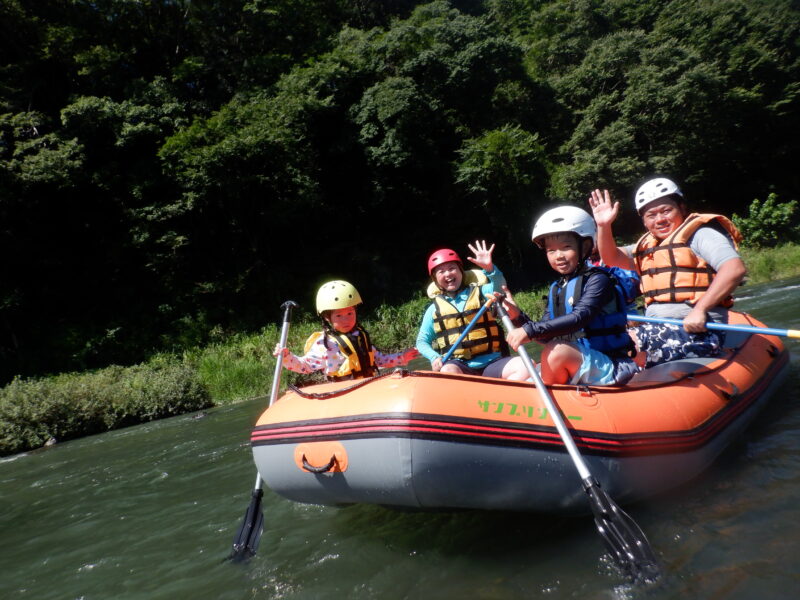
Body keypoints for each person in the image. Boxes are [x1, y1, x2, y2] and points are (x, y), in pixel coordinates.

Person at [589, 177, 746, 367]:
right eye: (651, 215)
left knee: (619, 341)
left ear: (681, 207)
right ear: (644, 221)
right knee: (602, 337)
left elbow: (734, 269)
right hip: (657, 328)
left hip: (700, 331)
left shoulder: (701, 235)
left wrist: (700, 310)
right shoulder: (646, 245)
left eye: (666, 211)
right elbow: (611, 257)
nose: (660, 219)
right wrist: (604, 226)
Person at [498, 206, 641, 386]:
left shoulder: (599, 280)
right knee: (527, 373)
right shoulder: (557, 288)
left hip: (611, 364)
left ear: (586, 246)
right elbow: (546, 336)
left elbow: (580, 317)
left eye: (566, 247)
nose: (558, 256)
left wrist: (529, 330)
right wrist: (517, 317)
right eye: (551, 250)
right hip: (579, 361)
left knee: (555, 352)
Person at [416, 240, 528, 380]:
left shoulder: (482, 292)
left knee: (525, 365)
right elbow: (421, 341)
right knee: (447, 370)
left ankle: (504, 398)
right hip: (459, 366)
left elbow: (499, 288)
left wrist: (490, 269)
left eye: (452, 268)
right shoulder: (434, 309)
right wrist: (434, 357)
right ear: (435, 279)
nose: (448, 274)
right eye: (441, 271)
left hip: (493, 362)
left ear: (461, 272)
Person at [274, 280, 419, 381]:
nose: (346, 319)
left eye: (350, 313)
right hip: (343, 393)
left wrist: (401, 357)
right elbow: (304, 366)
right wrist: (286, 357)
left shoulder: (360, 336)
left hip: (368, 386)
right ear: (327, 318)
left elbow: (378, 360)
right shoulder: (324, 344)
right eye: (339, 315)